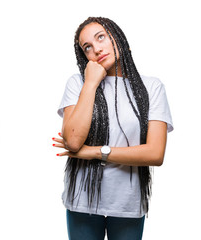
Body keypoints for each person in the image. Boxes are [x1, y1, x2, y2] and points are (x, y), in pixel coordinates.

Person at [53, 17, 173, 240]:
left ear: (118, 38)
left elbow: (155, 153)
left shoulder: (151, 87)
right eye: (87, 47)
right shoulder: (77, 83)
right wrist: (91, 84)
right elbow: (73, 141)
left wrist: (96, 151)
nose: (96, 49)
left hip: (127, 203)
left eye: (101, 37)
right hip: (82, 202)